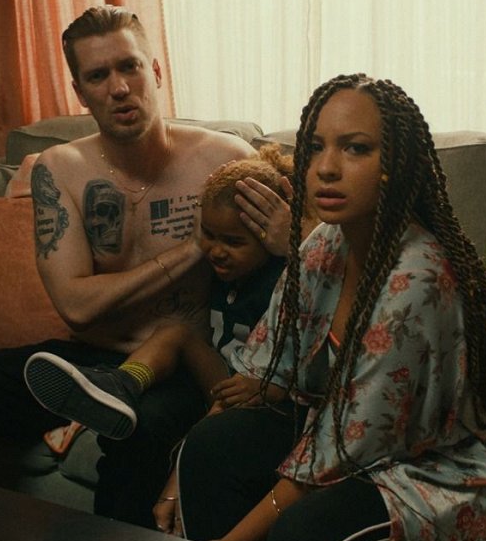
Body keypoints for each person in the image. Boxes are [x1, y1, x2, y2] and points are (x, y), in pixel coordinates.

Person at [0, 5, 268, 530]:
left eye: (130, 67)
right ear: (79, 91)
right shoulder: (61, 169)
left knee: (139, 430)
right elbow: (76, 306)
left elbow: (288, 254)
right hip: (89, 363)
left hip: (183, 365)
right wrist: (190, 250)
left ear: (155, 72)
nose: (119, 88)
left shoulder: (223, 159)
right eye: (98, 76)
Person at [174, 74, 486, 541]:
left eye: (356, 149)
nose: (326, 168)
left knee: (303, 534)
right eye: (316, 147)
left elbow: (342, 454)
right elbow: (262, 372)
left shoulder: (417, 281)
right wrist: (174, 478)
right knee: (212, 447)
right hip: (346, 435)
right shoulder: (325, 244)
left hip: (436, 466)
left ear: (395, 165)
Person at [23, 145, 303, 441]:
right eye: (209, 235)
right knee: (174, 331)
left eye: (234, 242)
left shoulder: (285, 280)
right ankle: (120, 385)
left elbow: (308, 353)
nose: (217, 251)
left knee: (198, 432)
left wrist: (275, 386)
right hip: (220, 376)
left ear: (269, 237)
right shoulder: (219, 271)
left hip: (255, 390)